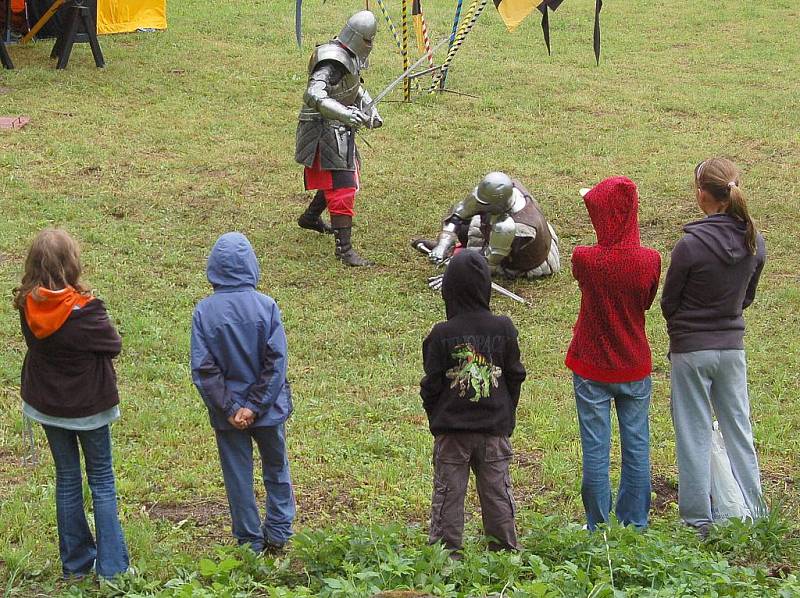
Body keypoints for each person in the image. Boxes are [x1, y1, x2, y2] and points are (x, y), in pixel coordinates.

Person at [14, 228, 129, 579]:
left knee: (66, 480)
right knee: (102, 481)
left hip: (48, 405)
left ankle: (76, 567)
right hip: (89, 408)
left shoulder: (27, 303)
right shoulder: (87, 311)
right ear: (72, 263)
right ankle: (113, 570)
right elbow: (114, 344)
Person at [661, 158, 767, 536]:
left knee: (693, 432)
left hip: (691, 350)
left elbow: (669, 301)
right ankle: (755, 511)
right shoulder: (756, 241)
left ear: (702, 193)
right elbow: (747, 297)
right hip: (732, 348)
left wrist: (684, 329)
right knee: (739, 428)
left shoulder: (690, 245)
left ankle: (697, 519)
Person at [565, 177, 661, 531]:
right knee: (637, 447)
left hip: (591, 365)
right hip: (634, 364)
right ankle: (635, 522)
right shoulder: (650, 260)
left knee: (595, 449)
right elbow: (646, 303)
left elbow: (584, 283)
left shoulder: (585, 259)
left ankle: (597, 525)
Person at [191, 232, 296, 553]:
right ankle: (279, 533)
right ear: (252, 265)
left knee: (238, 477)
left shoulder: (204, 312)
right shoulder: (267, 306)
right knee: (276, 469)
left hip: (228, 417)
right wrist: (254, 406)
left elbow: (204, 370)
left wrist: (232, 408)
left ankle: (249, 543)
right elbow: (275, 362)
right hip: (268, 411)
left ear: (213, 267)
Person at [420, 250, 527, 554]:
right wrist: (506, 412)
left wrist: (438, 418)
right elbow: (515, 376)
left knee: (448, 496)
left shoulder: (440, 334)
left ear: (449, 290)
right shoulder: (503, 328)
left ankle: (445, 555)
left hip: (451, 433)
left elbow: (432, 384)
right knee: (497, 494)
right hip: (494, 430)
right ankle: (505, 553)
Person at [295, 10, 383, 267]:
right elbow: (314, 94)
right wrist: (345, 113)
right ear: (356, 36)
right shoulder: (331, 60)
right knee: (342, 184)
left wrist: (369, 110)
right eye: (367, 39)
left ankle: (310, 217)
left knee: (338, 175)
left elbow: (354, 87)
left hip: (338, 127)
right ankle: (344, 251)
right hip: (323, 128)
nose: (370, 45)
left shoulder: (350, 56)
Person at [413, 171, 560, 279]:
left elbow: (490, 260)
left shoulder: (513, 227)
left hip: (522, 258)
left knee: (472, 256)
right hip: (502, 235)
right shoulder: (499, 194)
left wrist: (456, 272)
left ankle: (458, 255)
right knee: (464, 227)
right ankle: (452, 251)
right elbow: (458, 215)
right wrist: (443, 244)